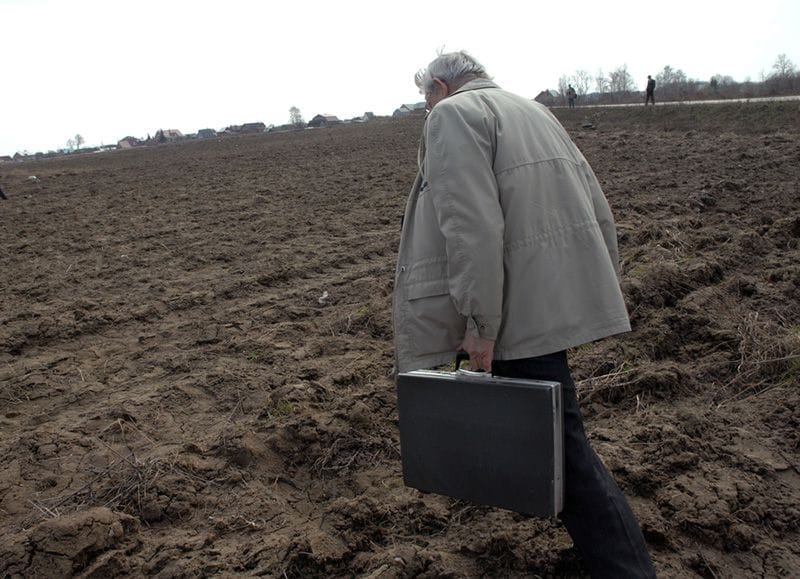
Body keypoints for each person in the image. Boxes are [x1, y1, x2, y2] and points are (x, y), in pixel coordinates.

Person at [393, 51, 657, 578]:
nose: (427, 110)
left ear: (441, 87)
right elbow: (593, 199)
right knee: (562, 450)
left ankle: (627, 570)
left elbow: (471, 229)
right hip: (550, 299)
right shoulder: (531, 111)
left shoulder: (453, 116)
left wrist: (481, 325)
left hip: (516, 312)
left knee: (566, 459)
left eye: (425, 100)